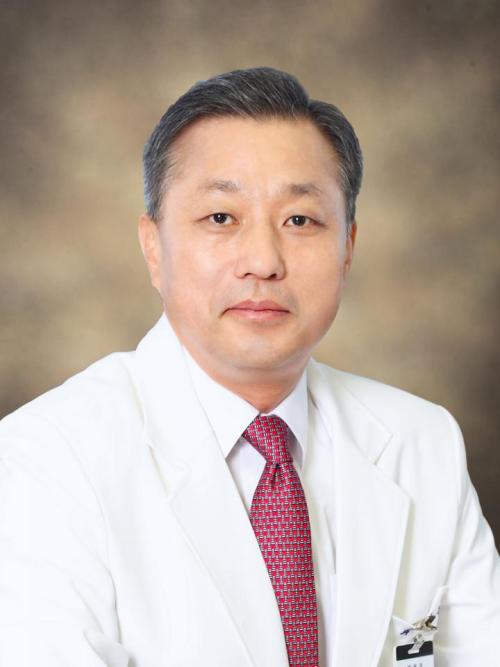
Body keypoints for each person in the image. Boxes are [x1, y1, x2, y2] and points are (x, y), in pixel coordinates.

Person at [0, 67, 498, 667]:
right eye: (221, 218)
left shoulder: (426, 443)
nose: (263, 261)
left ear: (347, 247)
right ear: (154, 247)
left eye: (300, 220)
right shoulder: (43, 459)